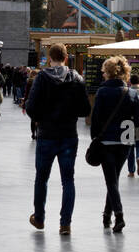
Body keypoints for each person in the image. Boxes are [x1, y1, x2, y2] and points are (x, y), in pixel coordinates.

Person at [25, 43, 92, 235]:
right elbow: (85, 110)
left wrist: (40, 119)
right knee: (68, 180)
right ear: (66, 57)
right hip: (69, 135)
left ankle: (39, 218)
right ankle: (65, 223)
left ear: (49, 57)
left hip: (46, 135)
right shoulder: (77, 78)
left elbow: (31, 107)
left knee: (41, 178)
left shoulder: (42, 78)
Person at [89, 56, 139, 233]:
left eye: (104, 71)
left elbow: (95, 119)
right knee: (113, 179)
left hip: (106, 141)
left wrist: (95, 138)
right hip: (125, 142)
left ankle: (119, 216)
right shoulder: (132, 93)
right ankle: (106, 215)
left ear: (109, 73)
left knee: (111, 180)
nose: (102, 74)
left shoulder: (102, 92)